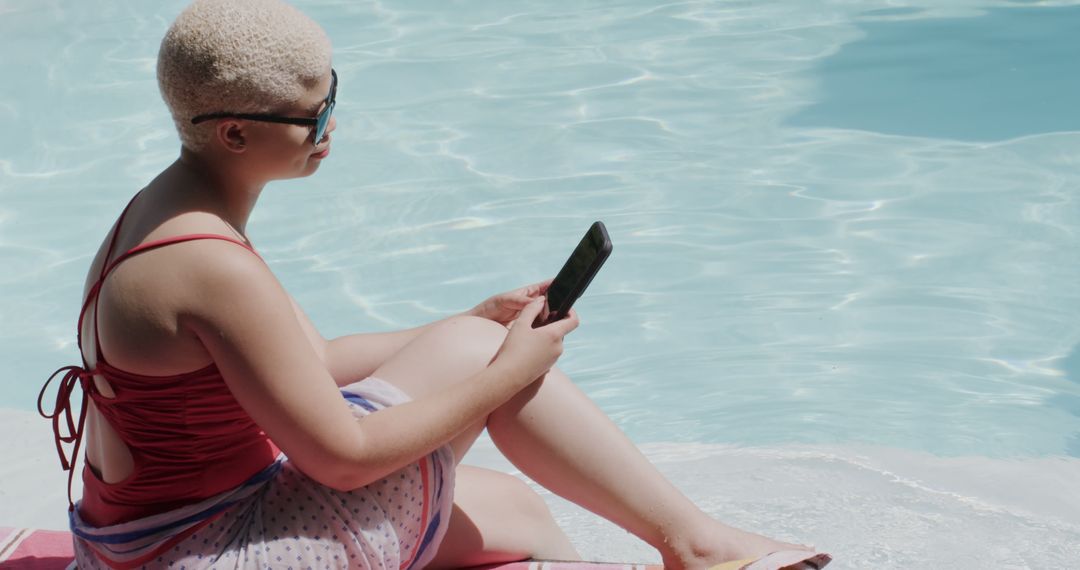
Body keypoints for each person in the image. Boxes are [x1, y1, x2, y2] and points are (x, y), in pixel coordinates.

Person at [39, 0, 829, 568]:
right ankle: (697, 546)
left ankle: (688, 542)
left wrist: (472, 319)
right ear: (234, 131)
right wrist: (502, 375)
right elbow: (341, 461)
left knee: (517, 507)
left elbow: (313, 358)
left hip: (140, 536)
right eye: (313, 117)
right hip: (204, 548)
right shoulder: (209, 264)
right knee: (482, 374)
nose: (332, 128)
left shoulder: (165, 211)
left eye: (333, 96)